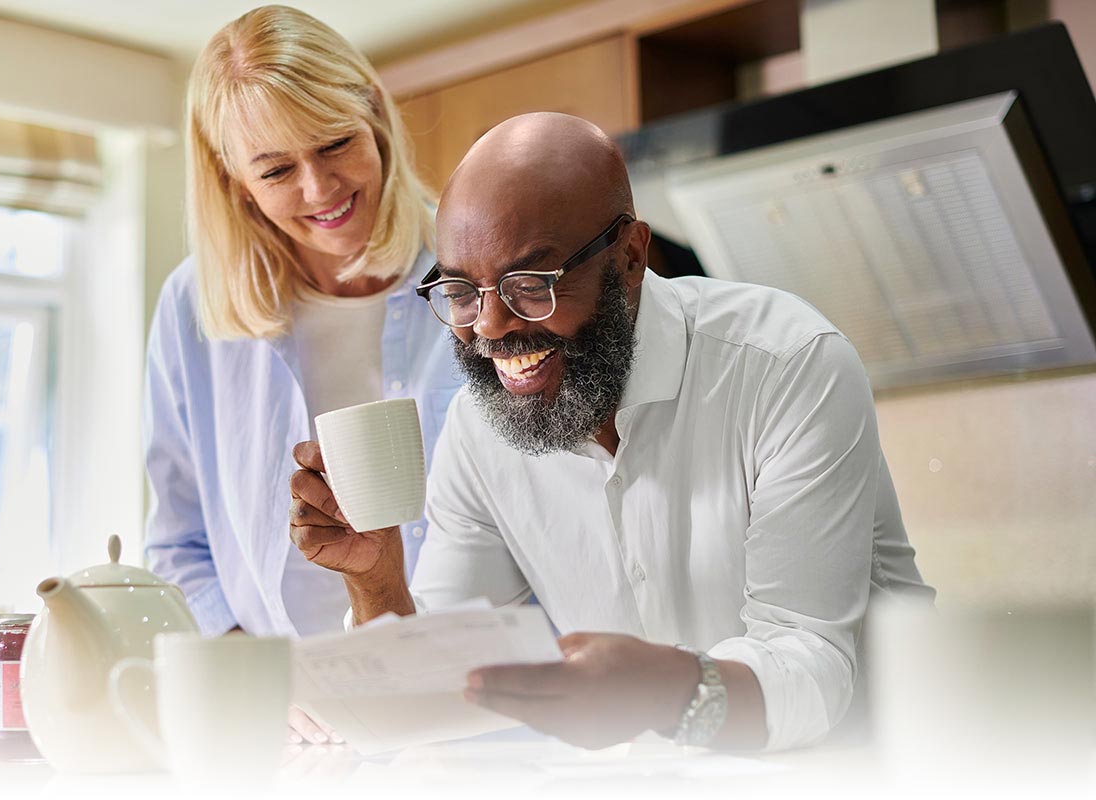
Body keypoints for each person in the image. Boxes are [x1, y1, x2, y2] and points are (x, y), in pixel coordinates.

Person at [287, 112, 934, 751]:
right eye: (461, 291)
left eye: (528, 284)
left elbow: (814, 661)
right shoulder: (478, 429)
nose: (488, 326)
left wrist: (667, 690)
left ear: (629, 258)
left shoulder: (787, 366)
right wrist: (376, 580)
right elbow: (450, 686)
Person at [143, 6, 462, 741]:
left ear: (375, 114)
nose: (320, 189)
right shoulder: (194, 309)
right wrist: (259, 689)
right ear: (234, 181)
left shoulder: (474, 273)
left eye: (336, 143)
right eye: (277, 170)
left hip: (463, 705)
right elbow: (180, 542)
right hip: (288, 728)